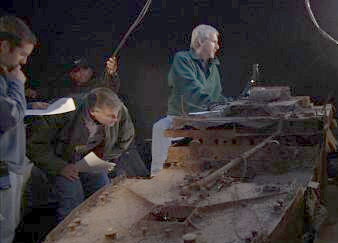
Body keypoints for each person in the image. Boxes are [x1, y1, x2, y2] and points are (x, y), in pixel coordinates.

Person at [26, 88, 134, 222]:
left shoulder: (118, 110)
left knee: (102, 191)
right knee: (72, 199)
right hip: (61, 158)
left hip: (91, 155)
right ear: (94, 112)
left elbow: (124, 139)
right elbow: (35, 144)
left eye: (117, 114)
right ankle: (68, 239)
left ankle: (98, 230)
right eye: (110, 116)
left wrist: (100, 157)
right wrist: (60, 167)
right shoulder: (63, 110)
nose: (116, 119)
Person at [151, 24, 226, 176]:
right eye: (214, 42)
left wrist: (230, 103)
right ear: (199, 42)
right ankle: (157, 175)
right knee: (160, 128)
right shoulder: (182, 59)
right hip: (182, 117)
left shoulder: (214, 66)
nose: (218, 46)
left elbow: (217, 95)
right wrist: (212, 104)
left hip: (207, 119)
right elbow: (190, 89)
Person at [0, 15, 36, 243]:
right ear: (4, 46)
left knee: (7, 230)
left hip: (10, 166)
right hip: (3, 169)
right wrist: (17, 85)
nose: (24, 62)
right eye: (22, 54)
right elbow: (10, 116)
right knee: (2, 235)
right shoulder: (9, 78)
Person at [45, 56, 120, 99]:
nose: (82, 72)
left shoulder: (99, 84)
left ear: (91, 70)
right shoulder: (64, 89)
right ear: (71, 74)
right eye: (77, 70)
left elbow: (111, 88)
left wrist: (112, 73)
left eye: (85, 68)